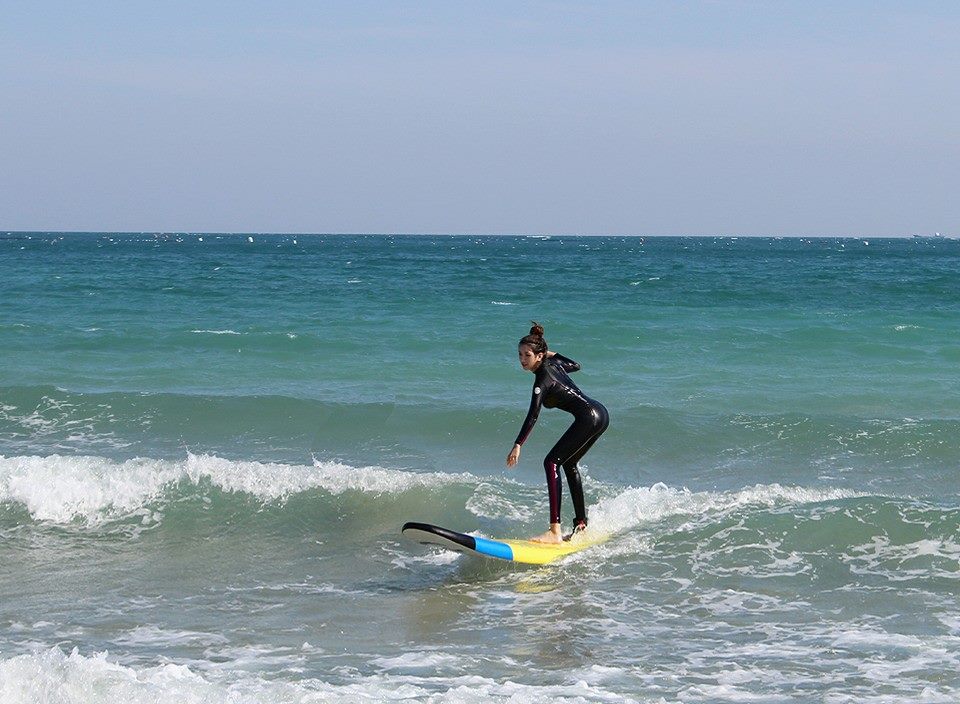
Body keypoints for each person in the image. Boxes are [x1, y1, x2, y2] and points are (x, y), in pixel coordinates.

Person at [506, 322, 609, 543]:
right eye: (520, 354)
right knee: (569, 464)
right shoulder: (554, 366)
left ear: (539, 356)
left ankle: (554, 531)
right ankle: (581, 524)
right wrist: (547, 353)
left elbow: (533, 414)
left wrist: (518, 444)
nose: (522, 359)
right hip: (600, 413)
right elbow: (575, 364)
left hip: (589, 418)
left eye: (527, 355)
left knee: (551, 462)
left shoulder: (542, 380)